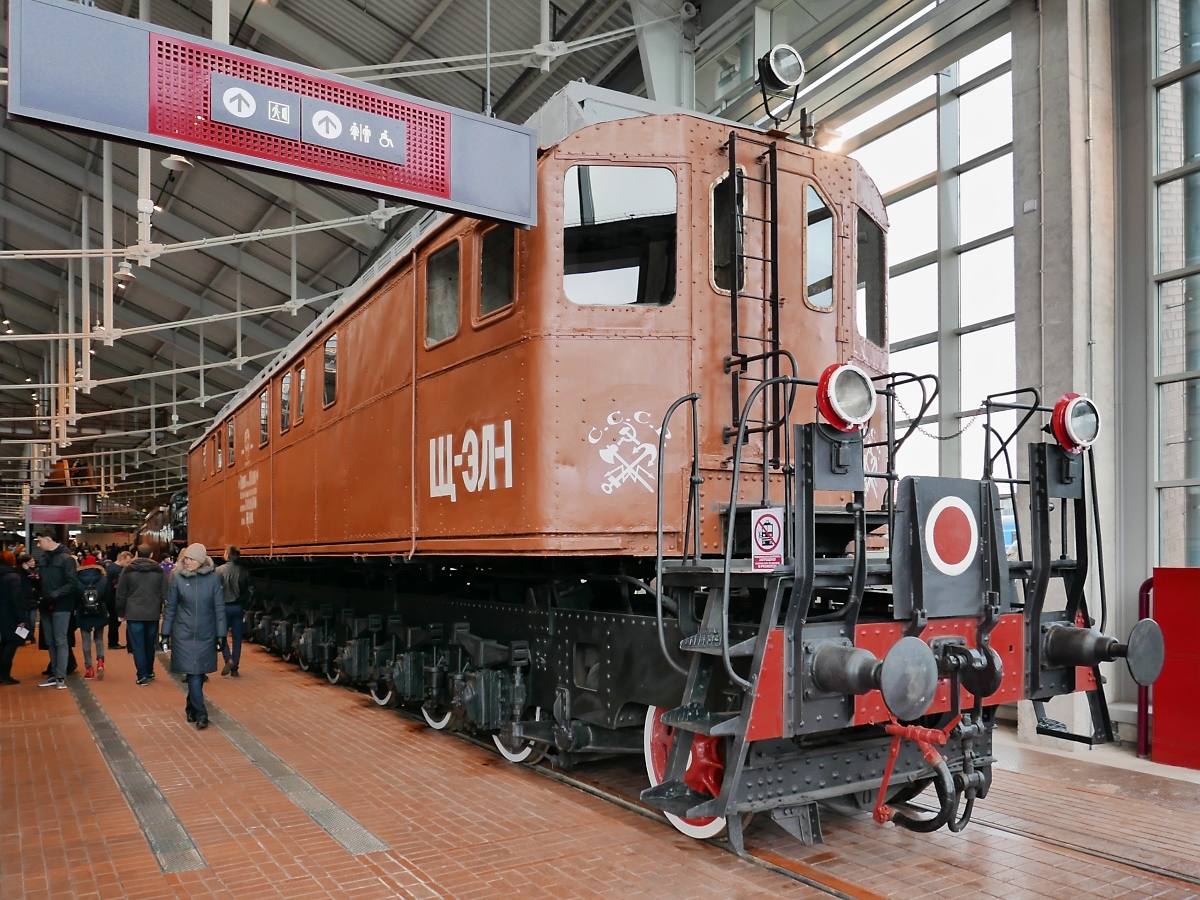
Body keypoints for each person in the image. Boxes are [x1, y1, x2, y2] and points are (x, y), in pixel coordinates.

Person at [162, 543, 225, 729]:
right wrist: (165, 633)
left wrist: (221, 635)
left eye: (191, 559)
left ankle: (190, 707)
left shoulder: (213, 580)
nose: (186, 562)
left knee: (197, 673)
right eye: (186, 558)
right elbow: (170, 607)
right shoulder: (178, 579)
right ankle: (201, 713)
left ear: (200, 561)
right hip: (183, 634)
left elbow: (219, 608)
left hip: (206, 634)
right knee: (193, 674)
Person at [117, 545, 167, 685]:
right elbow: (165, 593)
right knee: (150, 644)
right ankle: (150, 671)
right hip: (152, 612)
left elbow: (121, 594)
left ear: (137, 554)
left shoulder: (128, 570)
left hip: (133, 613)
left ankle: (142, 675)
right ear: (151, 554)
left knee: (138, 645)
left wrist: (120, 612)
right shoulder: (159, 570)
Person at [35, 532, 78, 689]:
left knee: (60, 641)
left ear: (48, 539)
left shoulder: (66, 559)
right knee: (51, 641)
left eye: (39, 541)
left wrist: (54, 595)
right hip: (46, 605)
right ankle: (55, 674)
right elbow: (43, 581)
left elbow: (72, 583)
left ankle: (60, 676)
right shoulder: (45, 559)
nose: (38, 545)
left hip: (61, 606)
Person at [215, 545, 252, 677]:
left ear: (227, 555)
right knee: (237, 638)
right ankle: (235, 668)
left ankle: (228, 659)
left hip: (223, 607)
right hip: (238, 607)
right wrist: (245, 604)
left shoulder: (218, 571)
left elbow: (215, 591)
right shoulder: (243, 571)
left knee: (221, 635)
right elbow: (250, 590)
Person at [76, 555, 110, 679]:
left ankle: (89, 668)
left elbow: (74, 596)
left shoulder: (77, 578)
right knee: (99, 638)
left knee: (86, 641)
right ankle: (100, 661)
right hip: (99, 611)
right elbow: (108, 596)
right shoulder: (103, 578)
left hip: (83, 612)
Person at [0, 551, 27, 685]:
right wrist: (21, 618)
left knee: (3, 644)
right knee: (11, 643)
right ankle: (4, 673)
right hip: (10, 616)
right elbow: (16, 600)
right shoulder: (13, 577)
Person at [105, 551, 131, 650]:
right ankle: (112, 642)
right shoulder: (118, 571)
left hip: (109, 597)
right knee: (115, 622)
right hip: (114, 598)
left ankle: (112, 641)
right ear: (122, 559)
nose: (128, 564)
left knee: (113, 621)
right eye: (127, 562)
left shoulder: (110, 567)